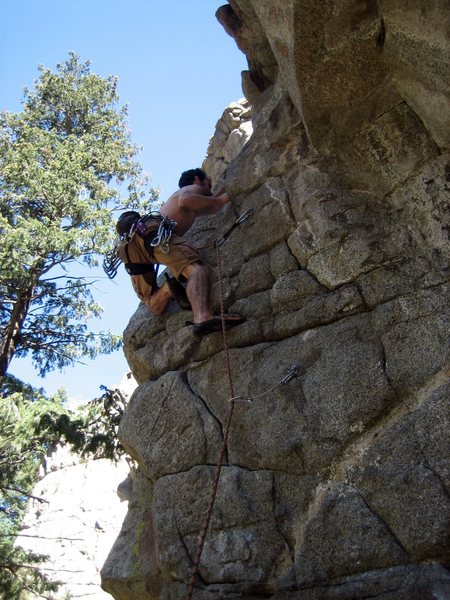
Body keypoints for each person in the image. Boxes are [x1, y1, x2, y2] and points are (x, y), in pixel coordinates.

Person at [116, 168, 244, 335]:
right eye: (209, 184)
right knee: (196, 271)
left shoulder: (180, 203)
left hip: (132, 247)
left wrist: (223, 194)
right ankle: (202, 318)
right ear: (197, 180)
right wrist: (220, 200)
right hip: (155, 235)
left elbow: (212, 204)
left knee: (154, 305)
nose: (210, 189)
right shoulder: (189, 189)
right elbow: (187, 200)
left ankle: (168, 289)